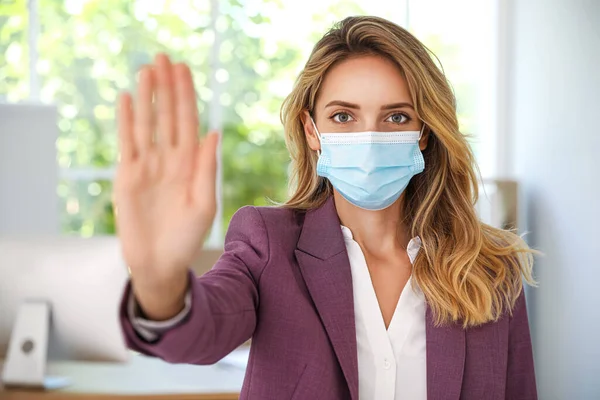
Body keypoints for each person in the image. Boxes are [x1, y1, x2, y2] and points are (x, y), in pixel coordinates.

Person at [115, 16, 537, 400]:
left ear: (424, 133)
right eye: (342, 117)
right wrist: (158, 280)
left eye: (396, 118)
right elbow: (199, 332)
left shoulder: (490, 269)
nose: (369, 137)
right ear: (311, 130)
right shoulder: (268, 244)